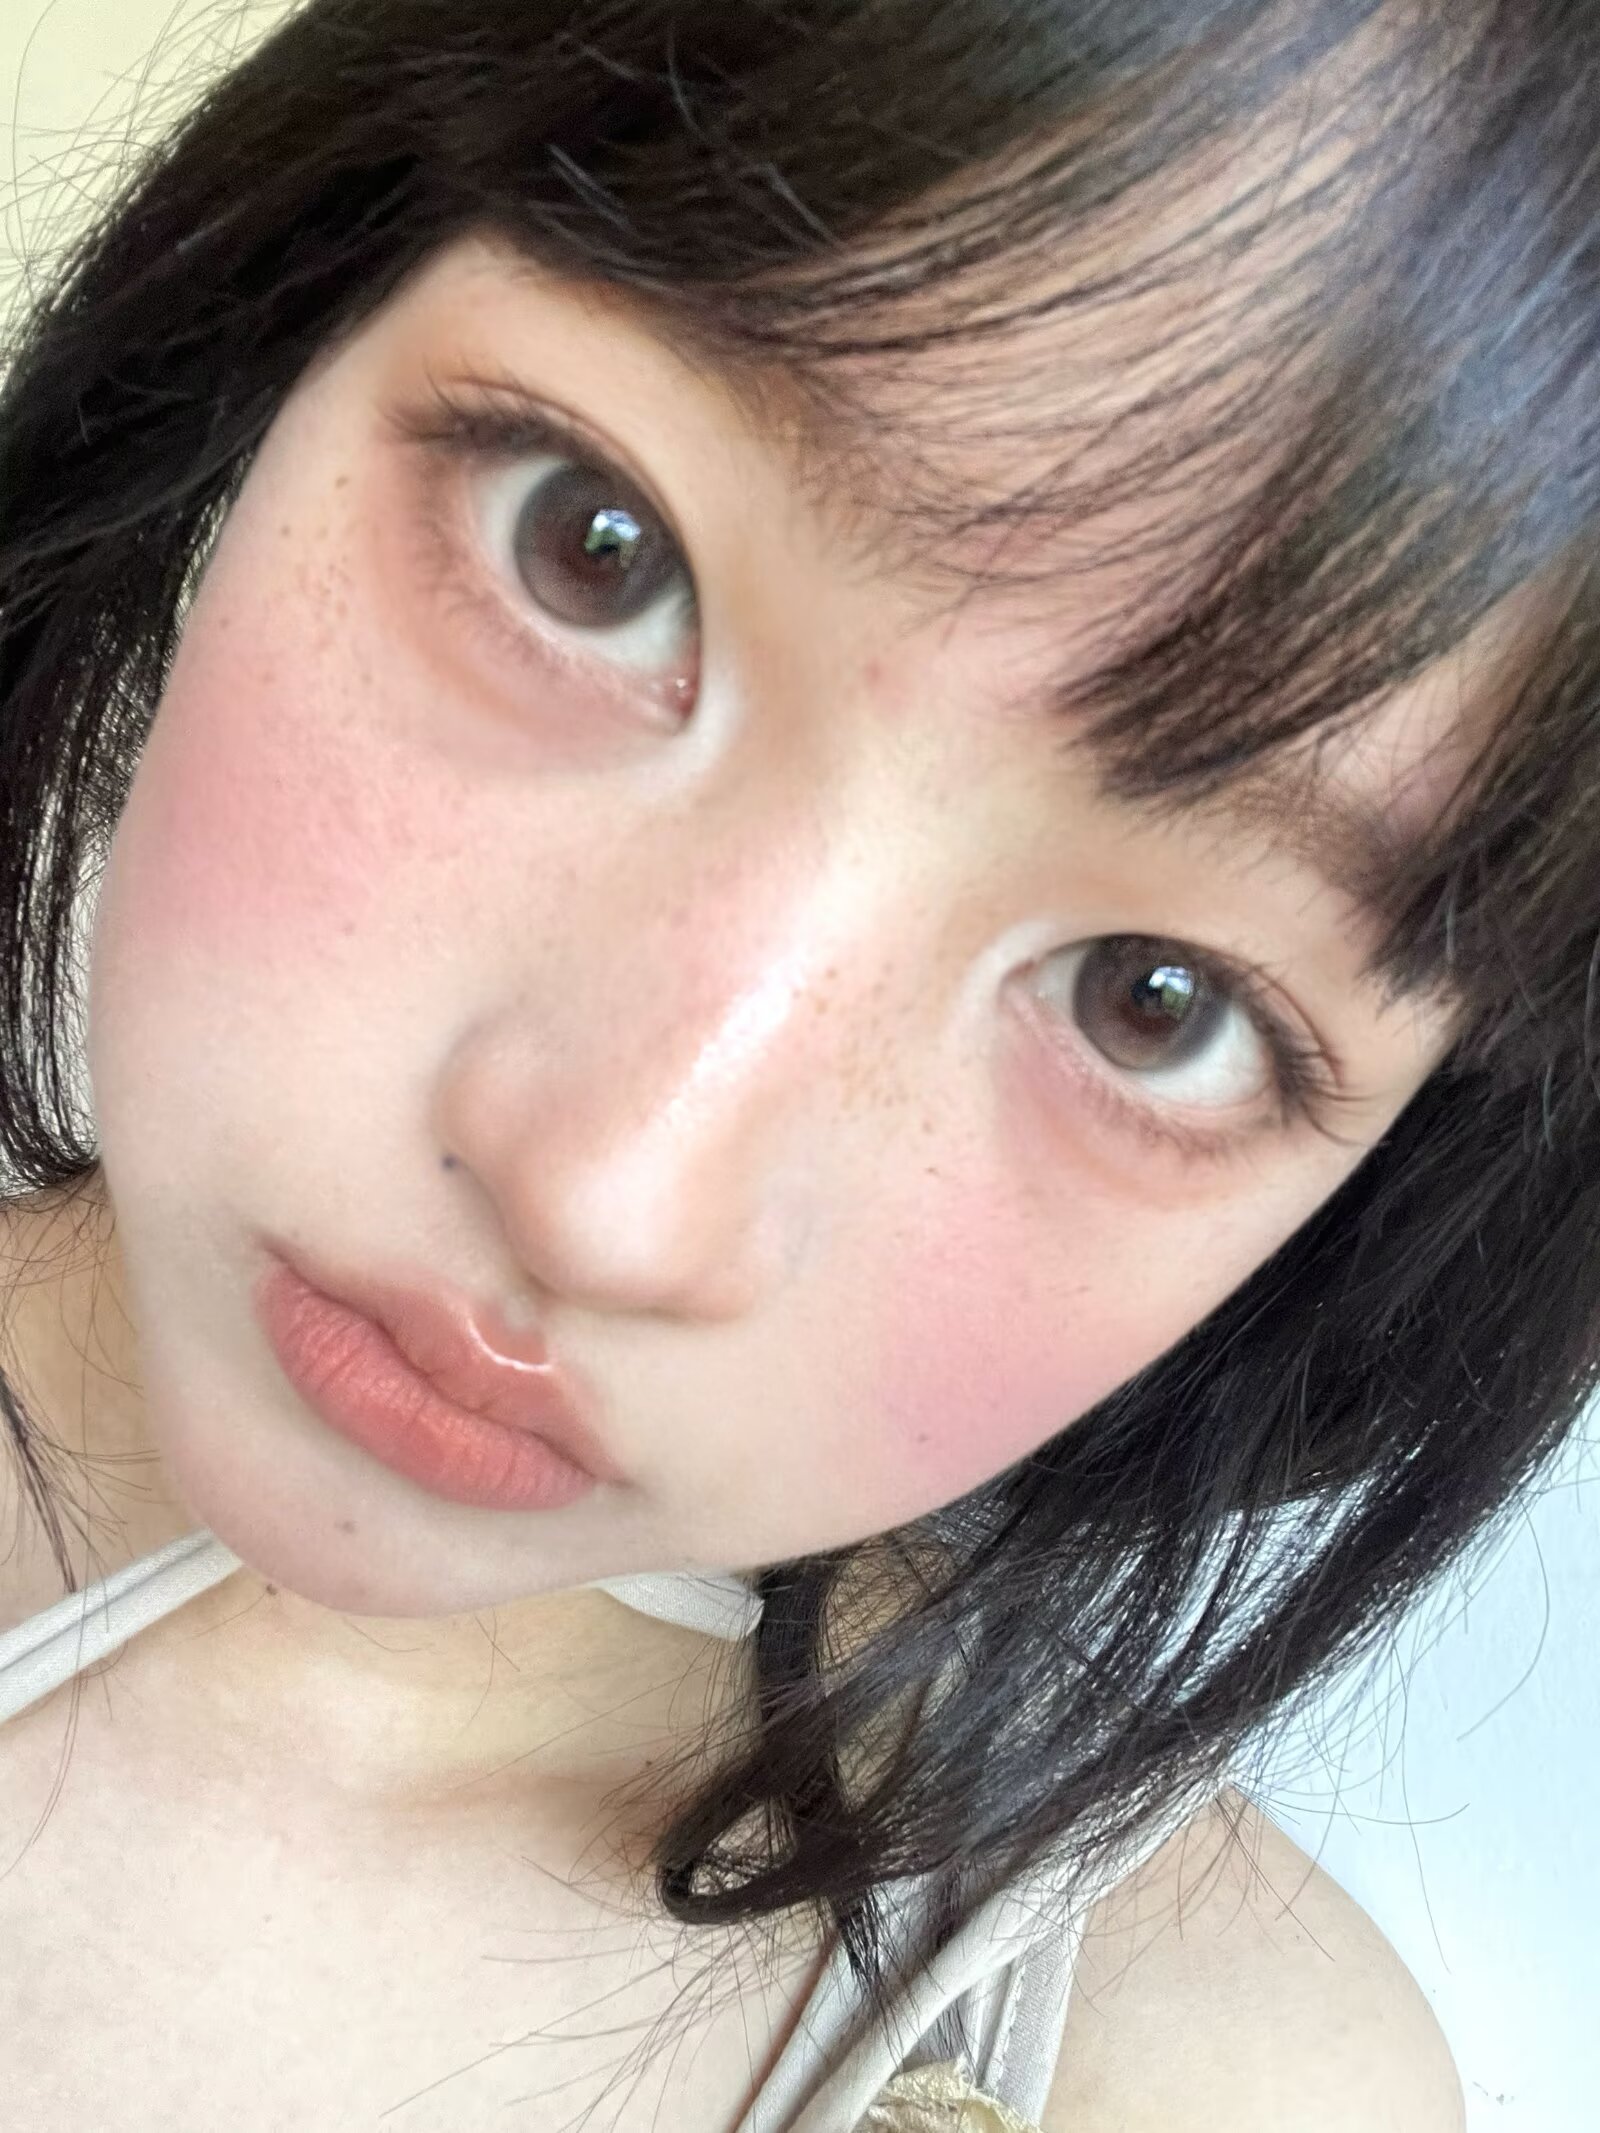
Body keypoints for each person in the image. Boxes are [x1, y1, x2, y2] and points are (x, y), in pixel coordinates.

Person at [0, 1, 1593, 2125]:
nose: (611, 1196)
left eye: (1154, 998)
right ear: (293, 313)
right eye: (594, 548)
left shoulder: (1205, 2078)